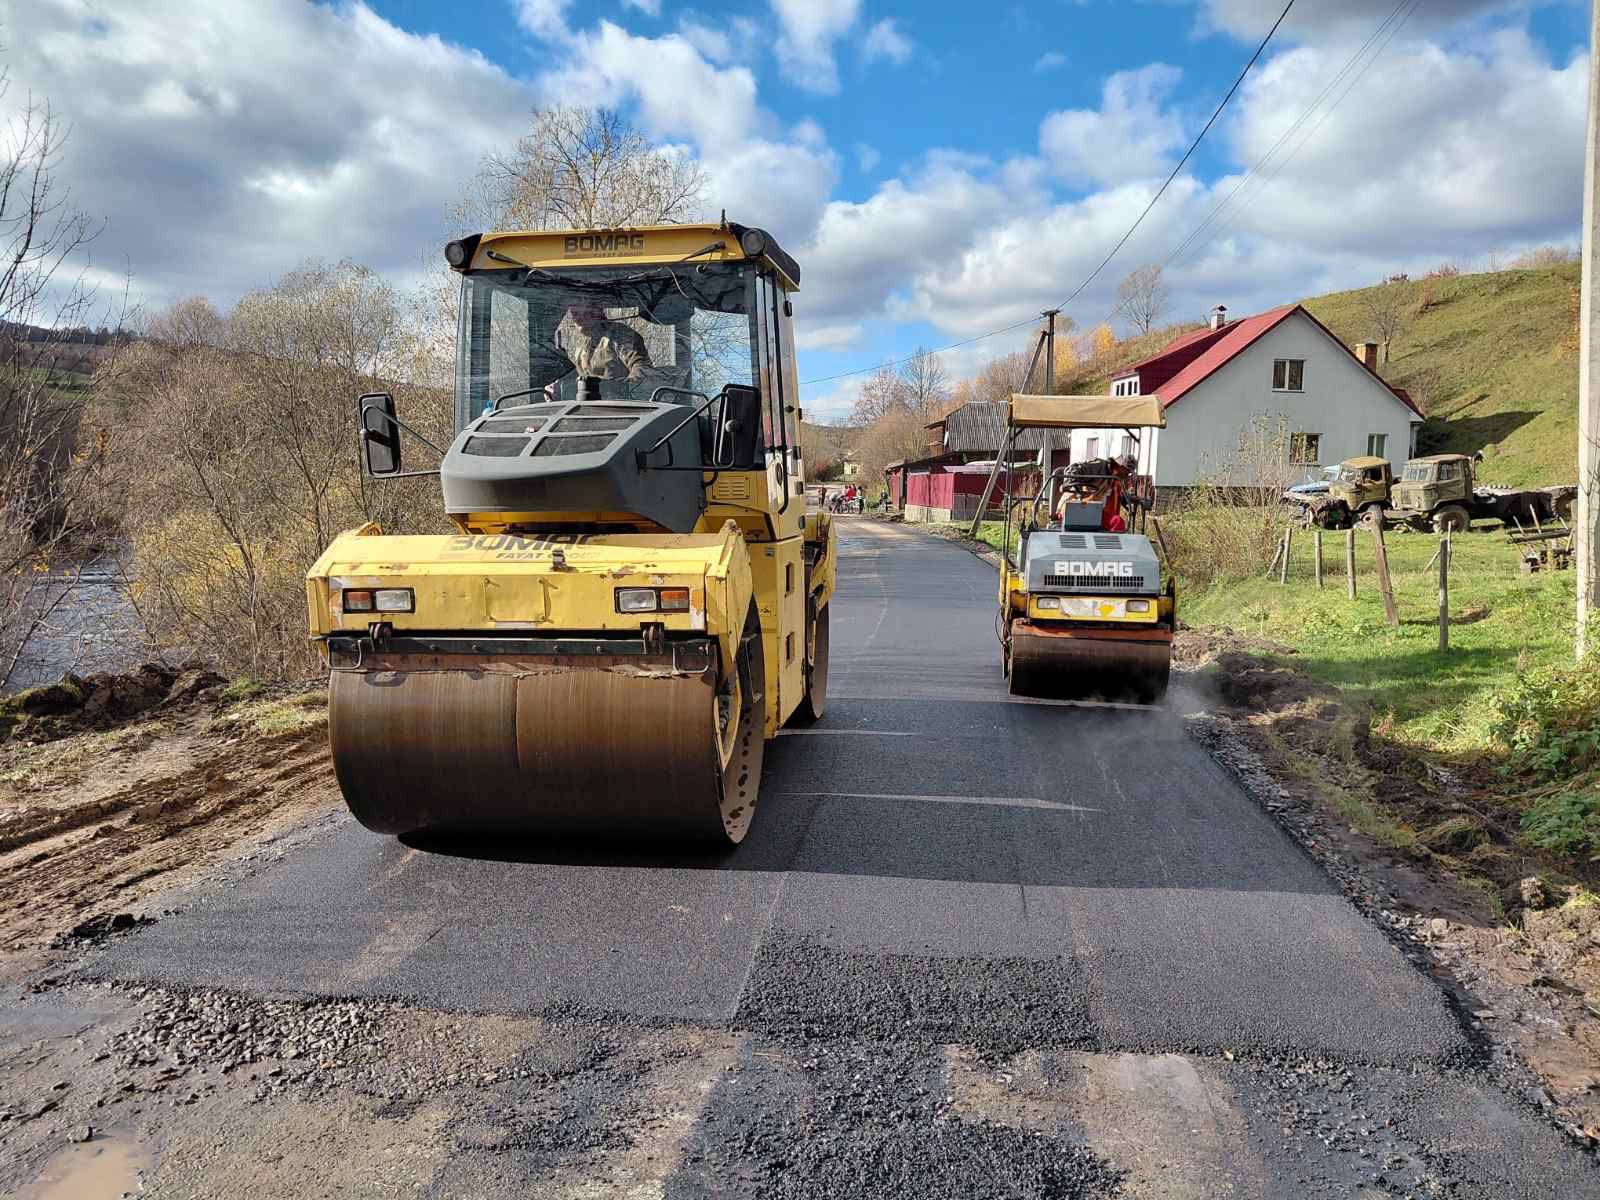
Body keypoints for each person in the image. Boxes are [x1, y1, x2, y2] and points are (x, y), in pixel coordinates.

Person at [561, 305, 651, 384]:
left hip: (620, 402)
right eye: (574, 314)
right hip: (589, 401)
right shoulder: (581, 343)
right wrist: (560, 387)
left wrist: (618, 388)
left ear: (598, 312)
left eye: (585, 313)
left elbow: (643, 370)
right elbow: (583, 379)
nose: (577, 320)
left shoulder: (619, 335)